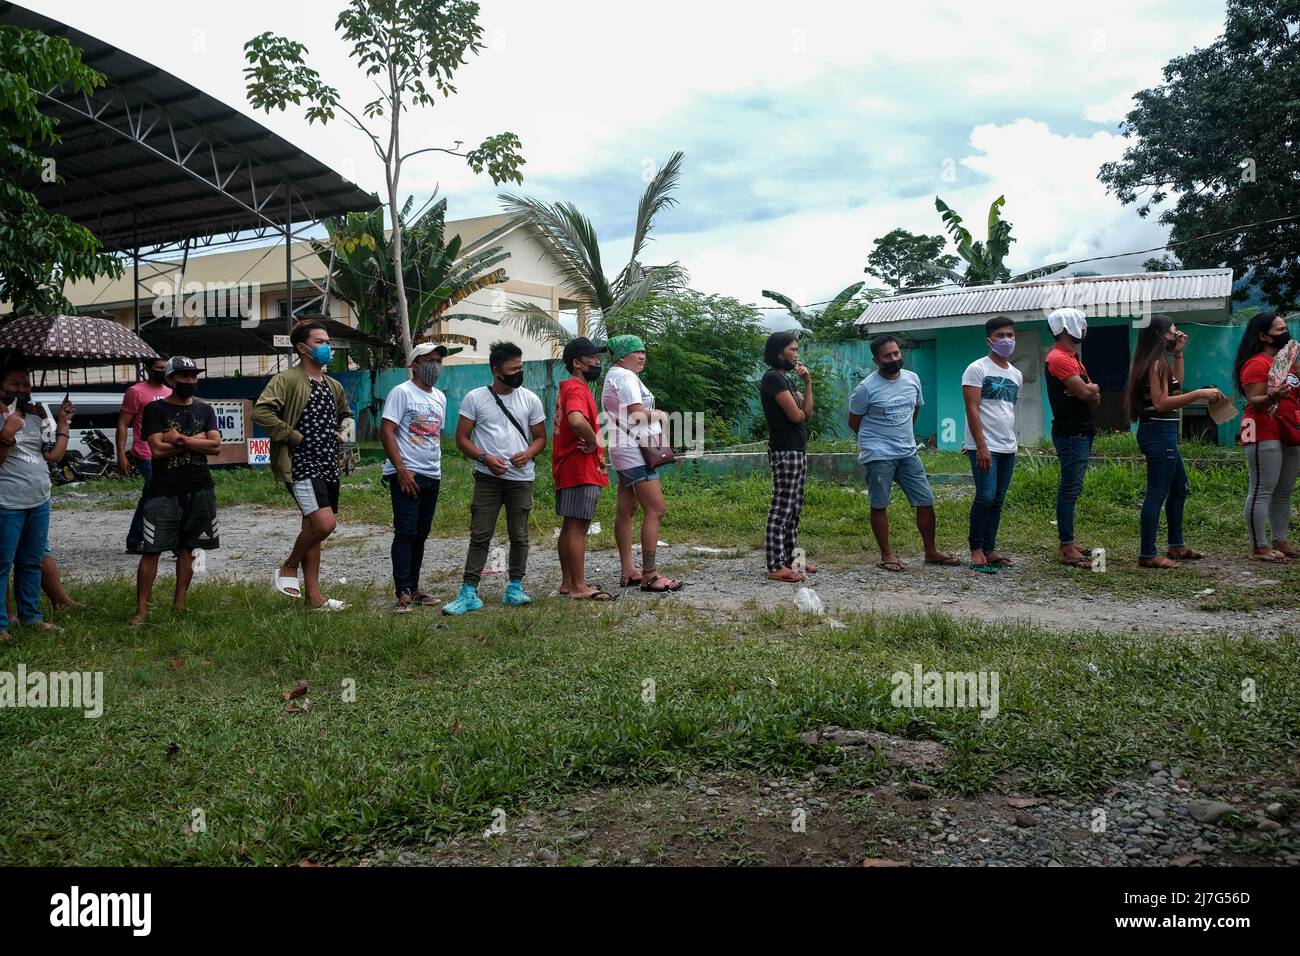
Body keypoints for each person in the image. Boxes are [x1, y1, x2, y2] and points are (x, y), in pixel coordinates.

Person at [253, 320, 353, 611]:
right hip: (301, 463)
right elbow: (261, 411)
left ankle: (314, 598)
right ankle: (288, 566)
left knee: (313, 528)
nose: (327, 347)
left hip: (327, 463)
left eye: (327, 341)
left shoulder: (333, 385)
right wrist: (292, 435)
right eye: (320, 342)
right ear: (302, 347)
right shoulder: (287, 380)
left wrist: (343, 431)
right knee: (325, 524)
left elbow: (346, 415)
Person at [443, 341, 547, 615]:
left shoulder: (530, 399)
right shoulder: (475, 398)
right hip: (487, 478)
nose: (518, 373)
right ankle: (468, 592)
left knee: (520, 535)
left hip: (521, 479)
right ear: (495, 370)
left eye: (520, 367)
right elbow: (462, 439)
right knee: (480, 535)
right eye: (513, 369)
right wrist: (484, 458)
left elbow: (541, 439)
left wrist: (528, 454)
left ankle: (515, 588)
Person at [848, 334, 959, 572]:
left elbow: (914, 410)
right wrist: (877, 440)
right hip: (878, 454)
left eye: (897, 353)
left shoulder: (912, 379)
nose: (894, 358)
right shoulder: (865, 388)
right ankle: (887, 554)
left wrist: (903, 434)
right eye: (887, 355)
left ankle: (931, 551)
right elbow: (854, 422)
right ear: (876, 360)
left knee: (925, 500)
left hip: (907, 452)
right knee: (879, 503)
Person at [1124, 315, 1225, 569]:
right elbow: (1160, 403)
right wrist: (1199, 394)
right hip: (1158, 434)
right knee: (1157, 493)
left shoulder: (1160, 362)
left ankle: (1176, 545)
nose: (1176, 336)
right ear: (1159, 336)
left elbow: (1175, 390)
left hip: (1163, 434)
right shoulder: (1155, 364)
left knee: (1180, 488)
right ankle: (1148, 553)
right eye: (1172, 333)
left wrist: (1179, 355)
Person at [131, 356, 221, 625]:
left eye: (193, 376)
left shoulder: (205, 409)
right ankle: (142, 611)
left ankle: (180, 604)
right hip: (164, 489)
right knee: (152, 549)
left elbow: (216, 446)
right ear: (170, 379)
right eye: (183, 376)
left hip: (200, 486)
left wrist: (179, 438)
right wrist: (198, 441)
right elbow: (156, 449)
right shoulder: (155, 410)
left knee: (190, 548)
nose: (190, 381)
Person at [603, 334, 683, 593]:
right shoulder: (625, 377)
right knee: (656, 509)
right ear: (621, 355)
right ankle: (649, 574)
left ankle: (628, 569)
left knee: (626, 509)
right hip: (635, 451)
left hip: (623, 449)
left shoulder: (614, 375)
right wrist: (658, 414)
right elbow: (637, 414)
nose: (641, 355)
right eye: (635, 351)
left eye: (643, 351)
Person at [0, 365, 73, 642]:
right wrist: (6, 433)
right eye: (14, 383)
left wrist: (62, 423)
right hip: (6, 503)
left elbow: (52, 455)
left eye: (25, 383)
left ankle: (31, 618)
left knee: (31, 562)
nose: (22, 388)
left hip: (39, 499)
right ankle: (2, 624)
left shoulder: (35, 415)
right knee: (2, 564)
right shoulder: (6, 420)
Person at [380, 342, 451, 613]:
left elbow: (433, 436)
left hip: (432, 473)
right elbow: (387, 431)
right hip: (407, 474)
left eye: (439, 360)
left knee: (421, 534)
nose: (436, 365)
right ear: (415, 365)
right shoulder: (402, 393)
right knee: (406, 533)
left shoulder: (440, 398)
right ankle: (402, 593)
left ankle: (415, 586)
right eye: (430, 360)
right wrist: (401, 470)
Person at [1234, 310, 1300, 562]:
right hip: (1264, 428)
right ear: (1264, 336)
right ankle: (1259, 547)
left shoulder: (1288, 361)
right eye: (1279, 330)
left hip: (1289, 428)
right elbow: (1255, 399)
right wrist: (1274, 396)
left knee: (1284, 490)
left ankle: (1280, 541)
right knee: (1262, 488)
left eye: (1285, 328)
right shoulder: (1256, 363)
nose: (1286, 333)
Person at [553, 336, 612, 600]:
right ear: (577, 363)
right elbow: (576, 419)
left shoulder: (568, 387)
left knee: (569, 527)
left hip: (567, 466)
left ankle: (569, 582)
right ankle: (579, 587)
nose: (597, 362)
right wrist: (594, 440)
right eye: (592, 357)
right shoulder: (577, 389)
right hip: (579, 467)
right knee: (578, 528)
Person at [961, 316, 1022, 570]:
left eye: (1010, 335)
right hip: (984, 447)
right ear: (990, 340)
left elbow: (1008, 409)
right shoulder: (977, 369)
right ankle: (976, 548)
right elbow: (972, 409)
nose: (1006, 340)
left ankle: (990, 547)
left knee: (998, 498)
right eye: (1000, 336)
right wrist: (981, 446)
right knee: (985, 497)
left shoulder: (1016, 374)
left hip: (1008, 447)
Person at [1044, 307, 1101, 569]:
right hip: (1071, 432)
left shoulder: (1073, 358)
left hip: (1080, 430)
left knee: (1073, 488)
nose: (1085, 328)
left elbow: (1093, 394)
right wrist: (1088, 390)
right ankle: (1066, 546)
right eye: (1082, 323)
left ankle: (1069, 542)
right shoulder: (1059, 358)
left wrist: (1089, 390)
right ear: (1067, 328)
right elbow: (1088, 393)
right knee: (1069, 489)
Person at [760, 331, 815, 583]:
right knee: (781, 509)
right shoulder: (773, 379)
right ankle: (774, 565)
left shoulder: (788, 380)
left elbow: (808, 412)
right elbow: (796, 416)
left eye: (796, 350)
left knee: (794, 509)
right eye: (792, 349)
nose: (796, 354)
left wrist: (807, 383)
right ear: (779, 351)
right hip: (785, 450)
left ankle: (793, 559)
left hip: (796, 449)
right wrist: (800, 410)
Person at [117, 354, 171, 554]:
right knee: (163, 495)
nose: (162, 371)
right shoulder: (135, 392)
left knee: (150, 497)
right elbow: (123, 423)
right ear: (147, 369)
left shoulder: (169, 392)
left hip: (165, 452)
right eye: (158, 368)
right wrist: (121, 454)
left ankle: (134, 540)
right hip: (145, 453)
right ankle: (170, 542)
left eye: (165, 367)